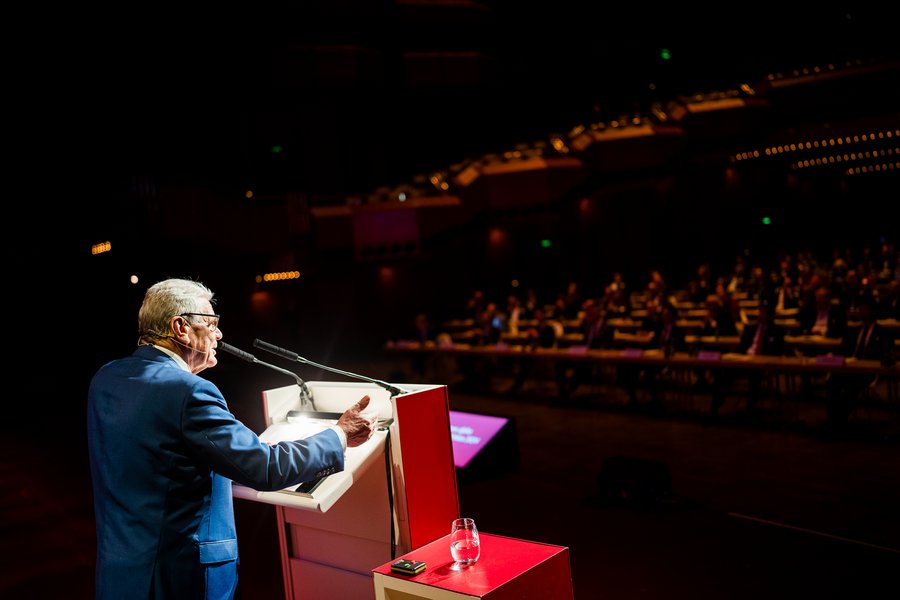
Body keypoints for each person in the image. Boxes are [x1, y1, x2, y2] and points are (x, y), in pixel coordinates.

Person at [87, 278, 377, 600]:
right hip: (180, 577)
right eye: (211, 324)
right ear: (180, 327)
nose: (219, 334)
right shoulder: (189, 391)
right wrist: (339, 434)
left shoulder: (108, 378)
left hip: (121, 571)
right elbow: (265, 468)